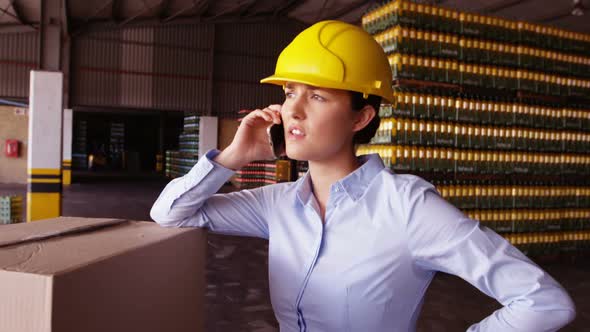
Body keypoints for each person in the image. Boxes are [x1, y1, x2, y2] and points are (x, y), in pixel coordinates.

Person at [150, 20, 575, 331]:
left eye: (316, 96)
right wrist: (232, 155)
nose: (294, 110)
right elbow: (171, 213)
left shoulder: (407, 207)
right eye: (290, 92)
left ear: (362, 117)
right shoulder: (277, 204)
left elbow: (544, 302)